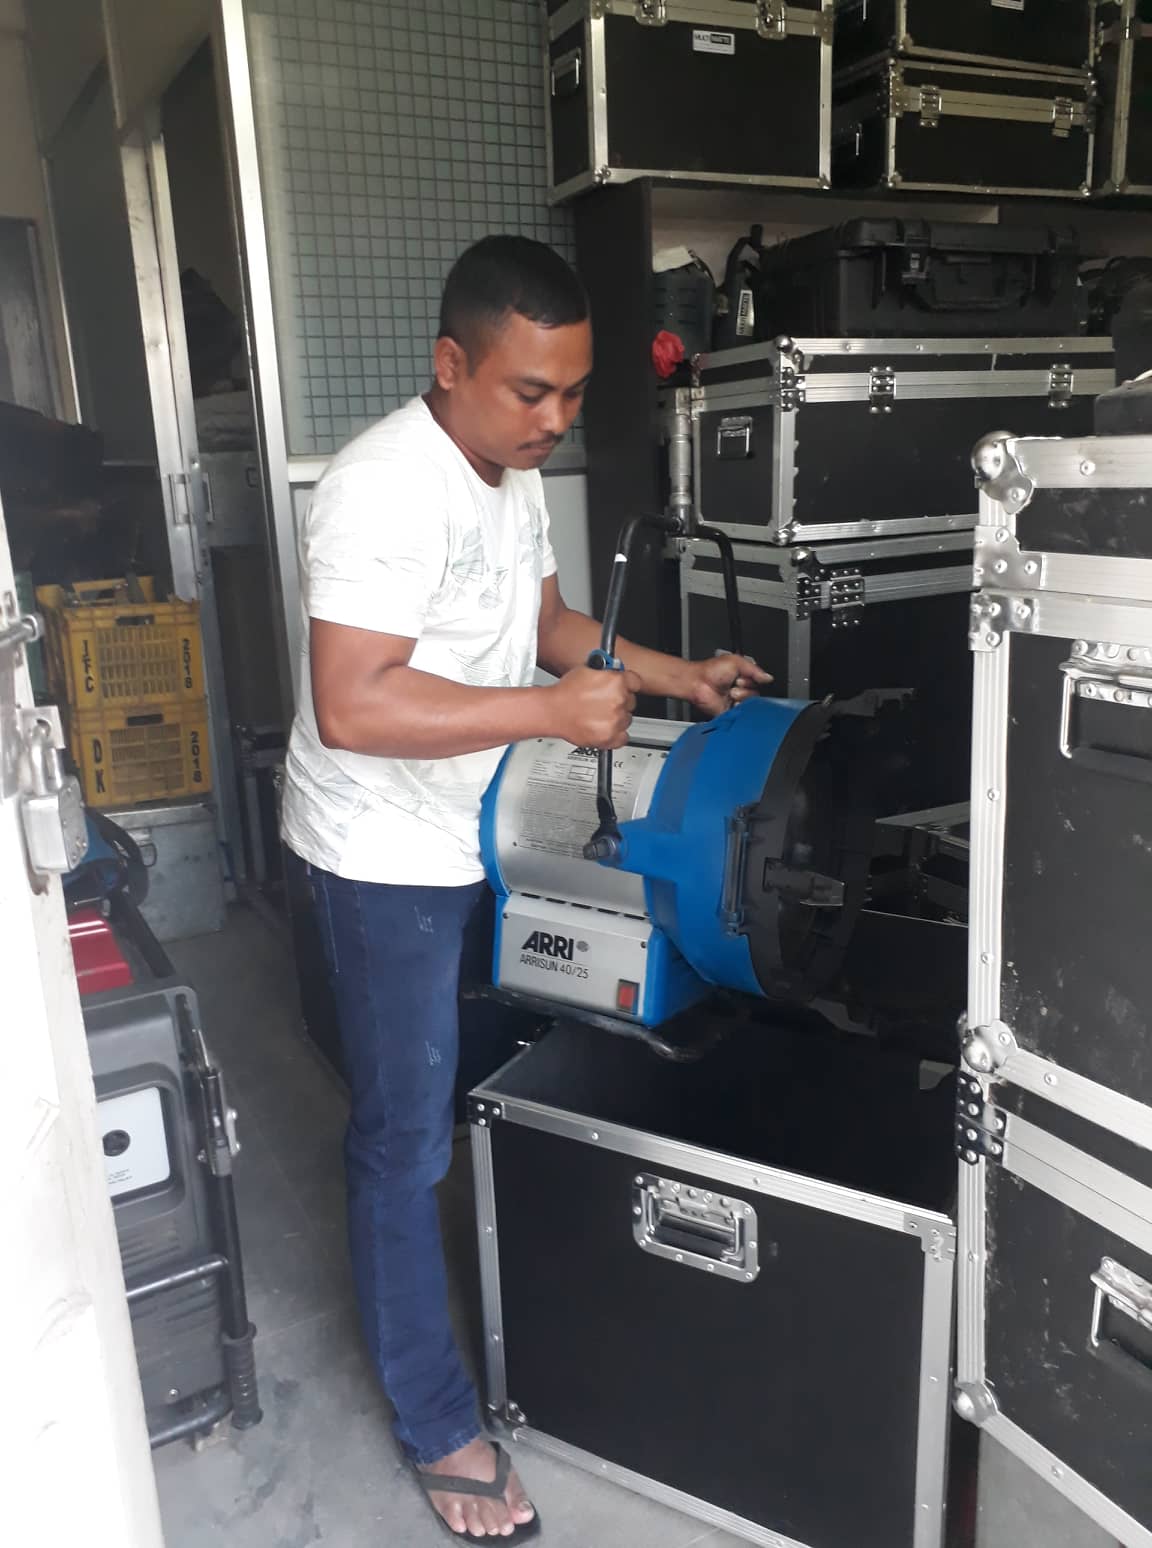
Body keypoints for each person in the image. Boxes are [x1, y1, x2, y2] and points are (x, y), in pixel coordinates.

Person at [280, 235, 768, 1542]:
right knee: (401, 1137)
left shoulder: (510, 471)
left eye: (573, 393)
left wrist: (673, 676)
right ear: (451, 365)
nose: (555, 419)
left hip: (483, 822)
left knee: (508, 1061)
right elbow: (353, 703)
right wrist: (554, 711)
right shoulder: (383, 489)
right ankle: (438, 1421)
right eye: (529, 391)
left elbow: (546, 626)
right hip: (383, 853)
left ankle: (540, 1299)